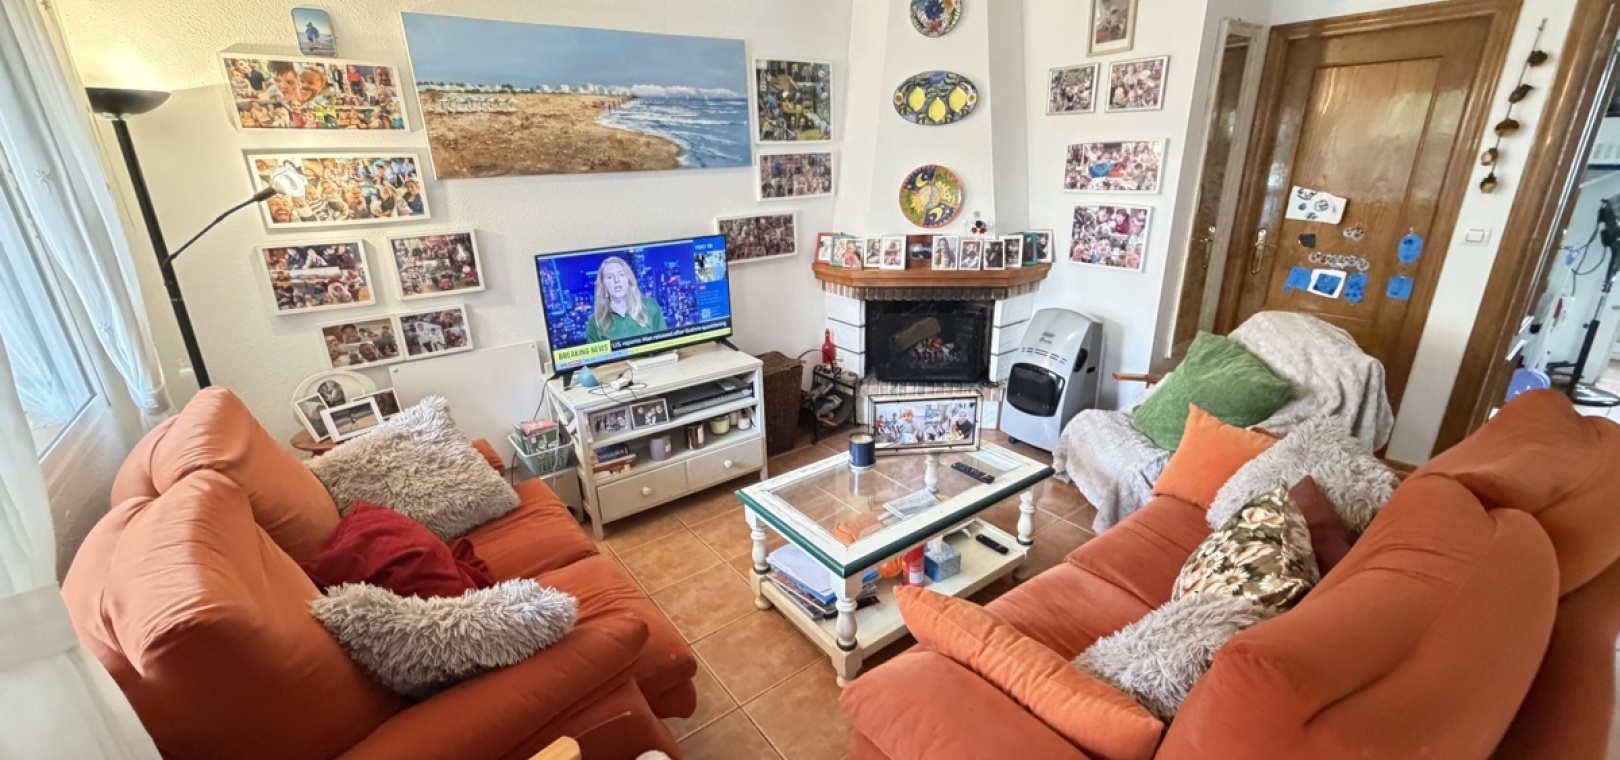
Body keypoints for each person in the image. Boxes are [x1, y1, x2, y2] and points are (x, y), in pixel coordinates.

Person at [586, 256, 666, 343]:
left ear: (628, 280)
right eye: (610, 277)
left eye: (621, 274)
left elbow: (665, 344)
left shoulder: (650, 306)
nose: (617, 280)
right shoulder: (595, 322)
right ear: (604, 286)